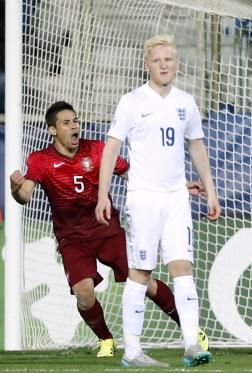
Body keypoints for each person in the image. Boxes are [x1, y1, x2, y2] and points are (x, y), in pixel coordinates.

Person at [8, 101, 208, 359]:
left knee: (145, 283)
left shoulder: (98, 150)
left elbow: (137, 176)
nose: (74, 126)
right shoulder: (41, 160)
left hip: (107, 230)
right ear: (53, 130)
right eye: (66, 123)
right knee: (83, 293)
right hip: (72, 239)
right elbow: (25, 196)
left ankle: (191, 330)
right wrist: (15, 188)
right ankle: (105, 339)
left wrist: (178, 186)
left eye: (76, 121)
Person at [95, 34, 221, 368]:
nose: (164, 65)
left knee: (183, 268)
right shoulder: (132, 101)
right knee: (140, 272)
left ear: (176, 63)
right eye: (157, 60)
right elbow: (111, 148)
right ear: (147, 65)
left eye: (169, 59)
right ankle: (133, 351)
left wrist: (211, 189)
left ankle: (192, 344)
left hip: (177, 197)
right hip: (144, 198)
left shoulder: (186, 101)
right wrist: (102, 194)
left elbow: (196, 147)